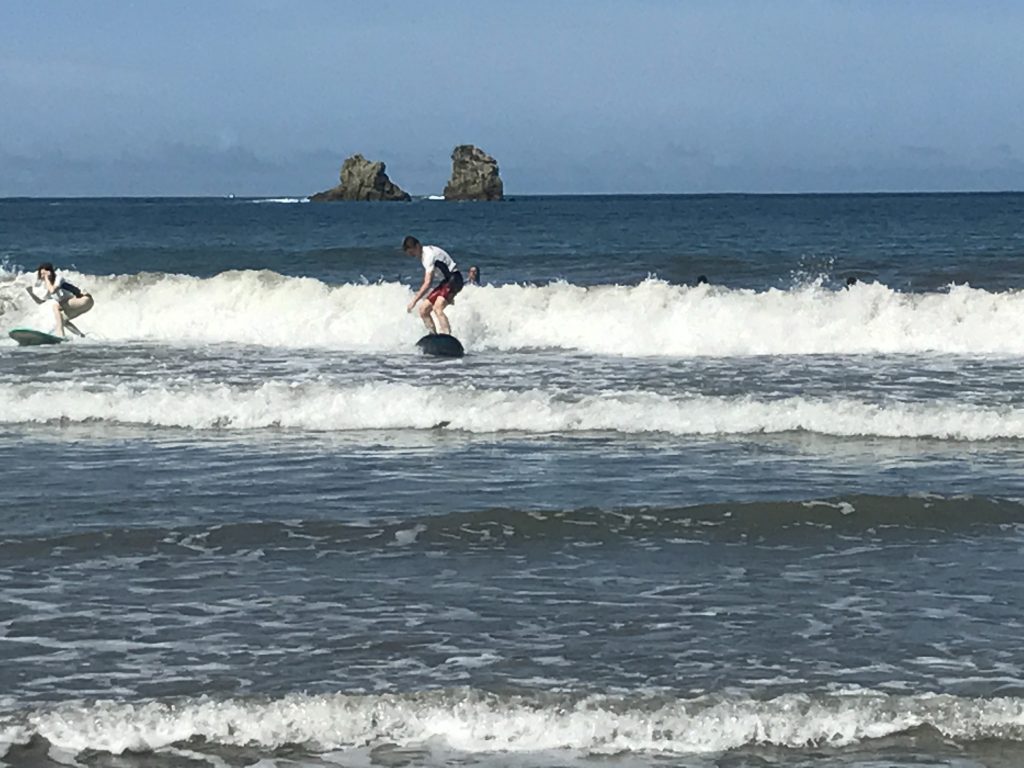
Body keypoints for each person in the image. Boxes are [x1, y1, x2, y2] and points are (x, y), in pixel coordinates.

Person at [403, 236, 464, 335]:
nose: (413, 256)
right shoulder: (424, 254)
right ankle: (433, 336)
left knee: (437, 308)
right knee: (423, 310)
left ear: (417, 246)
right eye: (410, 254)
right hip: (446, 282)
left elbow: (427, 283)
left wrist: (414, 301)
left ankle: (447, 336)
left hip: (454, 279)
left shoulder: (428, 256)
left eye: (412, 252)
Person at [26, 262, 94, 337]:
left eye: (44, 274)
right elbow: (41, 302)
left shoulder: (59, 278)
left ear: (50, 272)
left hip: (84, 299)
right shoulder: (48, 286)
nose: (43, 276)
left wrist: (47, 279)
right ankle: (81, 335)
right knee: (62, 320)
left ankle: (60, 335)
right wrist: (31, 292)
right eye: (41, 274)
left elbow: (52, 290)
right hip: (77, 304)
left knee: (55, 307)